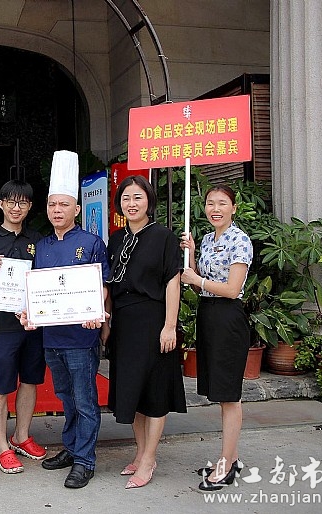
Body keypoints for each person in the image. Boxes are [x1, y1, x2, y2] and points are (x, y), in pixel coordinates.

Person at [22, 150, 110, 489]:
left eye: (63, 205)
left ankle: (85, 461)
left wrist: (96, 312)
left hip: (81, 337)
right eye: (52, 205)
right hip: (51, 338)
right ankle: (73, 449)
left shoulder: (91, 242)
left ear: (76, 209)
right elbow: (37, 289)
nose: (57, 210)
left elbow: (102, 285)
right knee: (66, 397)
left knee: (85, 400)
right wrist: (29, 311)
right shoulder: (41, 246)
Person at [106, 175, 186, 490]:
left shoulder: (165, 237)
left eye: (138, 197)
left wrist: (170, 325)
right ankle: (140, 452)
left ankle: (150, 458)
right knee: (133, 392)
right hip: (124, 324)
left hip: (154, 321)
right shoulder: (116, 239)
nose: (132, 203)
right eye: (126, 198)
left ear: (149, 201)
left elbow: (172, 282)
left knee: (154, 393)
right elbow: (109, 285)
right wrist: (107, 323)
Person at [180, 185, 253, 491]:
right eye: (210, 203)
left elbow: (233, 289)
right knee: (221, 392)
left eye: (222, 203)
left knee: (230, 395)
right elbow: (200, 284)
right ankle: (231, 460)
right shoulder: (209, 239)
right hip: (208, 314)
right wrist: (192, 255)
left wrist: (197, 279)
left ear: (233, 208)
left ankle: (225, 464)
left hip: (228, 317)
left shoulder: (240, 240)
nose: (215, 209)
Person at [0, 180, 46, 474]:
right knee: (2, 386)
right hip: (1, 326)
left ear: (30, 207)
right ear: (1, 204)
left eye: (23, 203)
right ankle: (2, 446)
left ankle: (21, 436)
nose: (16, 208)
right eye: (11, 202)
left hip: (32, 325)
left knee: (30, 380)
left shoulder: (39, 240)